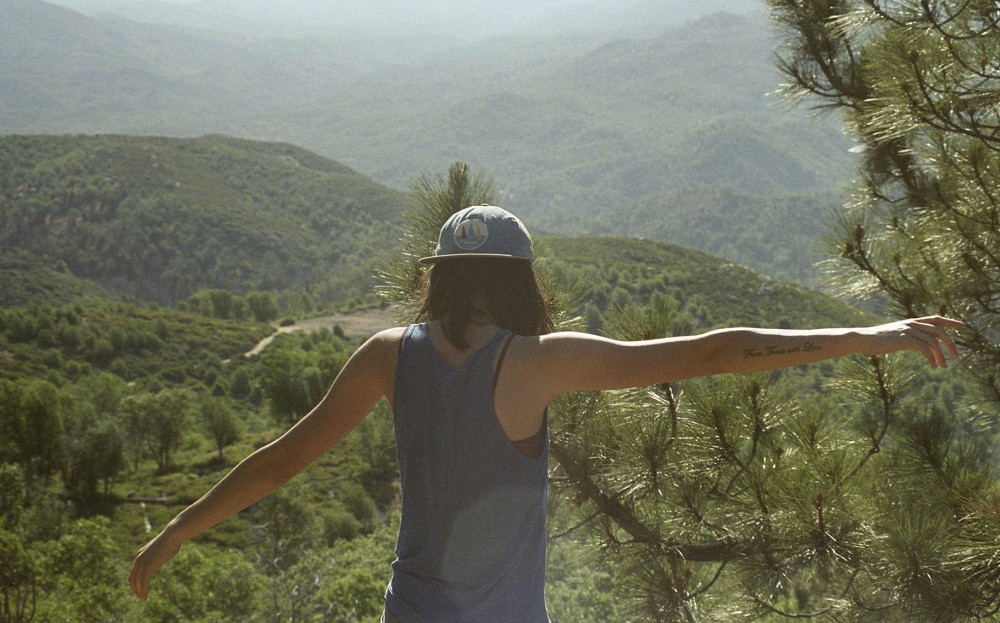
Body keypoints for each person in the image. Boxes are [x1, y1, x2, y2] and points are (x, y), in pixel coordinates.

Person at [129, 205, 963, 622]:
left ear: (441, 276)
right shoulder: (534, 362)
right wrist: (866, 335)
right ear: (520, 280)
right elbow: (715, 351)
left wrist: (176, 529)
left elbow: (280, 458)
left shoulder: (387, 354)